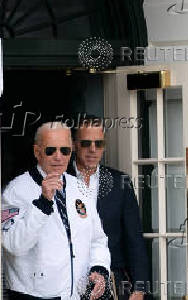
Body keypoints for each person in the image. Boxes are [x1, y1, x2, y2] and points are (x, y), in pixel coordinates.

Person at [2, 122, 111, 300]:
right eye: (51, 150)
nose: (58, 157)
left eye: (65, 150)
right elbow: (14, 245)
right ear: (37, 152)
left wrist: (98, 268)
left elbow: (97, 239)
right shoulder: (16, 190)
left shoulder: (79, 187)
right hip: (33, 295)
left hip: (76, 294)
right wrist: (43, 204)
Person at [68, 117, 150, 300]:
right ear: (74, 145)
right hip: (69, 280)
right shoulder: (61, 180)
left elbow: (134, 239)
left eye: (99, 143)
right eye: (86, 143)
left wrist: (139, 289)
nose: (93, 149)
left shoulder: (120, 183)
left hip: (112, 280)